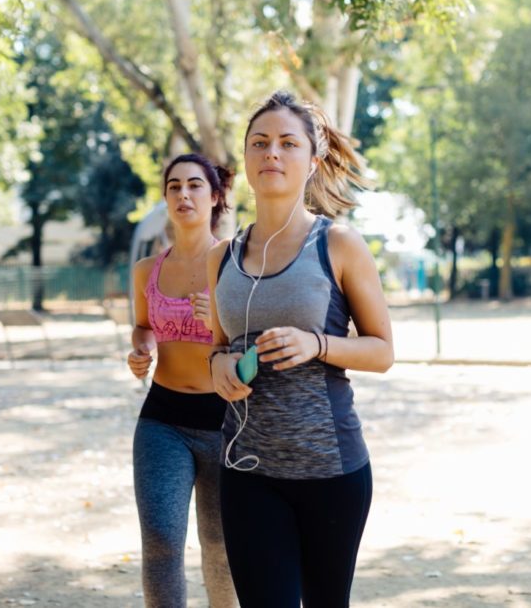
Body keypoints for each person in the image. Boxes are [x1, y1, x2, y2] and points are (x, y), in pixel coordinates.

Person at [206, 91, 394, 607]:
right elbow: (218, 347)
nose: (272, 153)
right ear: (245, 158)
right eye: (259, 143)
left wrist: (316, 344)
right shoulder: (221, 256)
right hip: (246, 469)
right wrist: (220, 365)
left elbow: (382, 351)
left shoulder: (339, 244)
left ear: (311, 162)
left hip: (329, 471)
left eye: (288, 144)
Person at [127, 153, 236, 608]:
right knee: (161, 541)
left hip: (227, 420)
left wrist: (217, 321)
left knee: (220, 547)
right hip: (163, 419)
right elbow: (141, 324)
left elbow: (252, 337)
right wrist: (141, 349)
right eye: (174, 186)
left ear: (214, 198)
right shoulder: (146, 271)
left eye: (194, 185)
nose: (183, 194)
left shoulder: (235, 261)